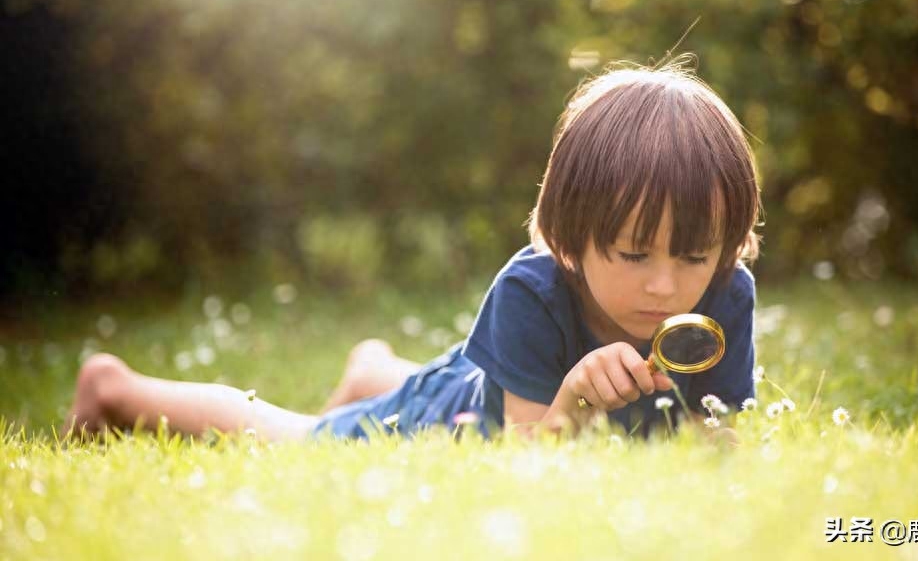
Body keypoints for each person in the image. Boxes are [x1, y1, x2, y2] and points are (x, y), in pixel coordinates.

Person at [63, 57, 762, 442]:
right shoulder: (535, 290)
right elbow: (526, 471)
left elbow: (715, 436)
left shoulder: (726, 295)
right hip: (458, 419)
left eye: (695, 256)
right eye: (635, 256)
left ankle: (375, 369)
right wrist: (574, 401)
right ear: (573, 239)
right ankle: (117, 389)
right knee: (302, 444)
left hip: (480, 378)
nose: (667, 287)